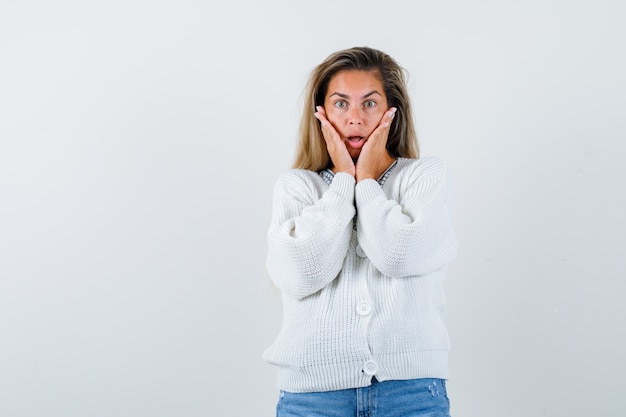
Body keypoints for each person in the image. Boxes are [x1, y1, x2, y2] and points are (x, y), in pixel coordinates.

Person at [263, 46, 458, 417]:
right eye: (340, 104)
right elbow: (303, 273)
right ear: (320, 113)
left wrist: (366, 180)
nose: (355, 119)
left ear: (390, 111)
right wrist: (341, 185)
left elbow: (398, 255)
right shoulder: (297, 188)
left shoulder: (425, 178)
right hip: (312, 398)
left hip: (411, 395)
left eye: (369, 104)